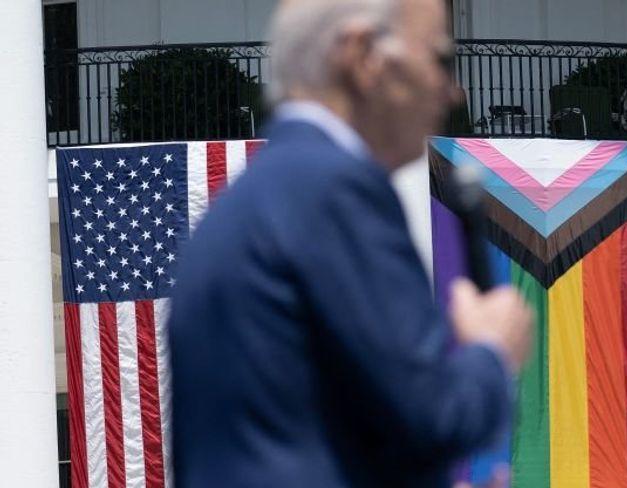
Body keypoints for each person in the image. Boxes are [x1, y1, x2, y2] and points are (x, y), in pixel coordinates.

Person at [167, 0, 532, 486]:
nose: (454, 92)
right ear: (363, 55)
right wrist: (491, 348)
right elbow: (433, 418)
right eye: (441, 59)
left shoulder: (236, 209)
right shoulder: (335, 189)